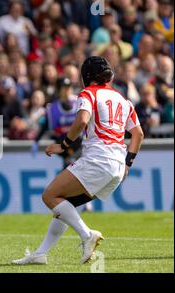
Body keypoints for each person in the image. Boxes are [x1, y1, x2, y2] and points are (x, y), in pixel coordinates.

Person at [12, 56, 144, 265]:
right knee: (65, 205)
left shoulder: (88, 93)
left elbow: (82, 120)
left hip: (99, 159)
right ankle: (40, 253)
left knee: (50, 196)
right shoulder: (123, 99)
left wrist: (62, 146)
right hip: (117, 166)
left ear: (87, 76)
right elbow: (138, 134)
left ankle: (86, 235)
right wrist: (128, 164)